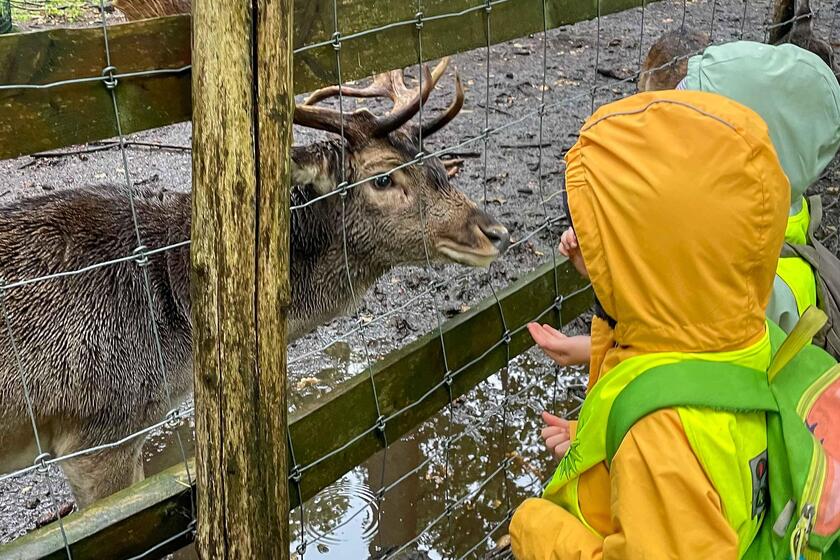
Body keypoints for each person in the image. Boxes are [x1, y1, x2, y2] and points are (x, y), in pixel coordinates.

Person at [510, 87, 790, 557]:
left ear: (644, 262)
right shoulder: (746, 339)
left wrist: (537, 532)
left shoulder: (658, 440)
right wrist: (600, 449)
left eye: (609, 243)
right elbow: (653, 370)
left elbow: (665, 462)